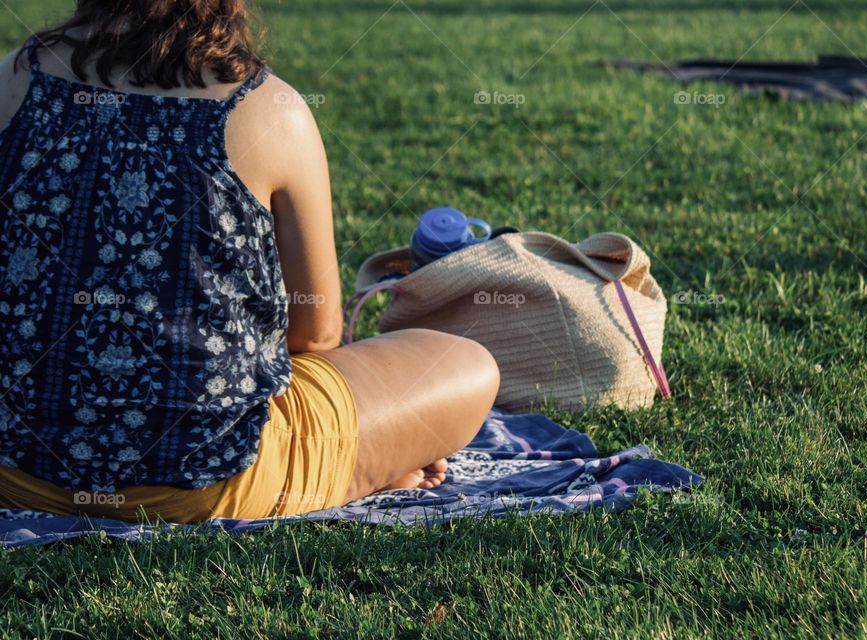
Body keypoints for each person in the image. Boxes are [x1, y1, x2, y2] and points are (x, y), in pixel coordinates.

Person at [0, 0, 499, 522]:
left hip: (15, 469)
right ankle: (363, 465)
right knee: (467, 365)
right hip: (210, 484)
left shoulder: (14, 79)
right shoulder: (270, 111)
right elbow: (315, 335)